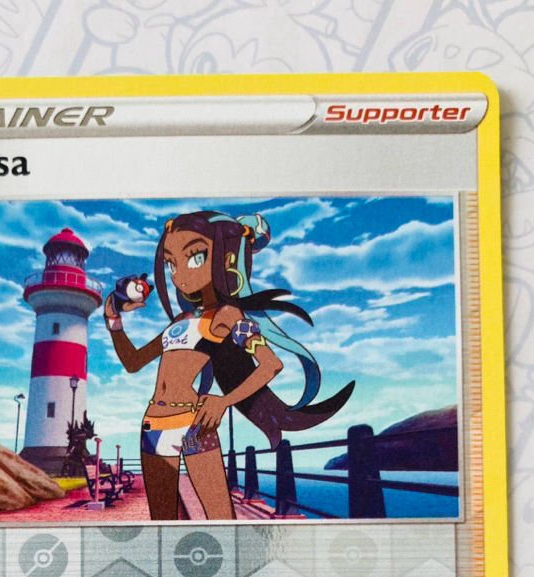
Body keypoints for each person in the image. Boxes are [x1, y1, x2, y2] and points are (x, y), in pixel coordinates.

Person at [103, 210, 354, 520]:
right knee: (162, 521)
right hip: (153, 424)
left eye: (195, 257)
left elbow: (270, 364)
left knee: (221, 517)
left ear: (225, 259)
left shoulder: (227, 316)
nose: (179, 274)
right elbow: (133, 362)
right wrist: (112, 319)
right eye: (171, 263)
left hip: (195, 424)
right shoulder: (181, 319)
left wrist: (223, 401)